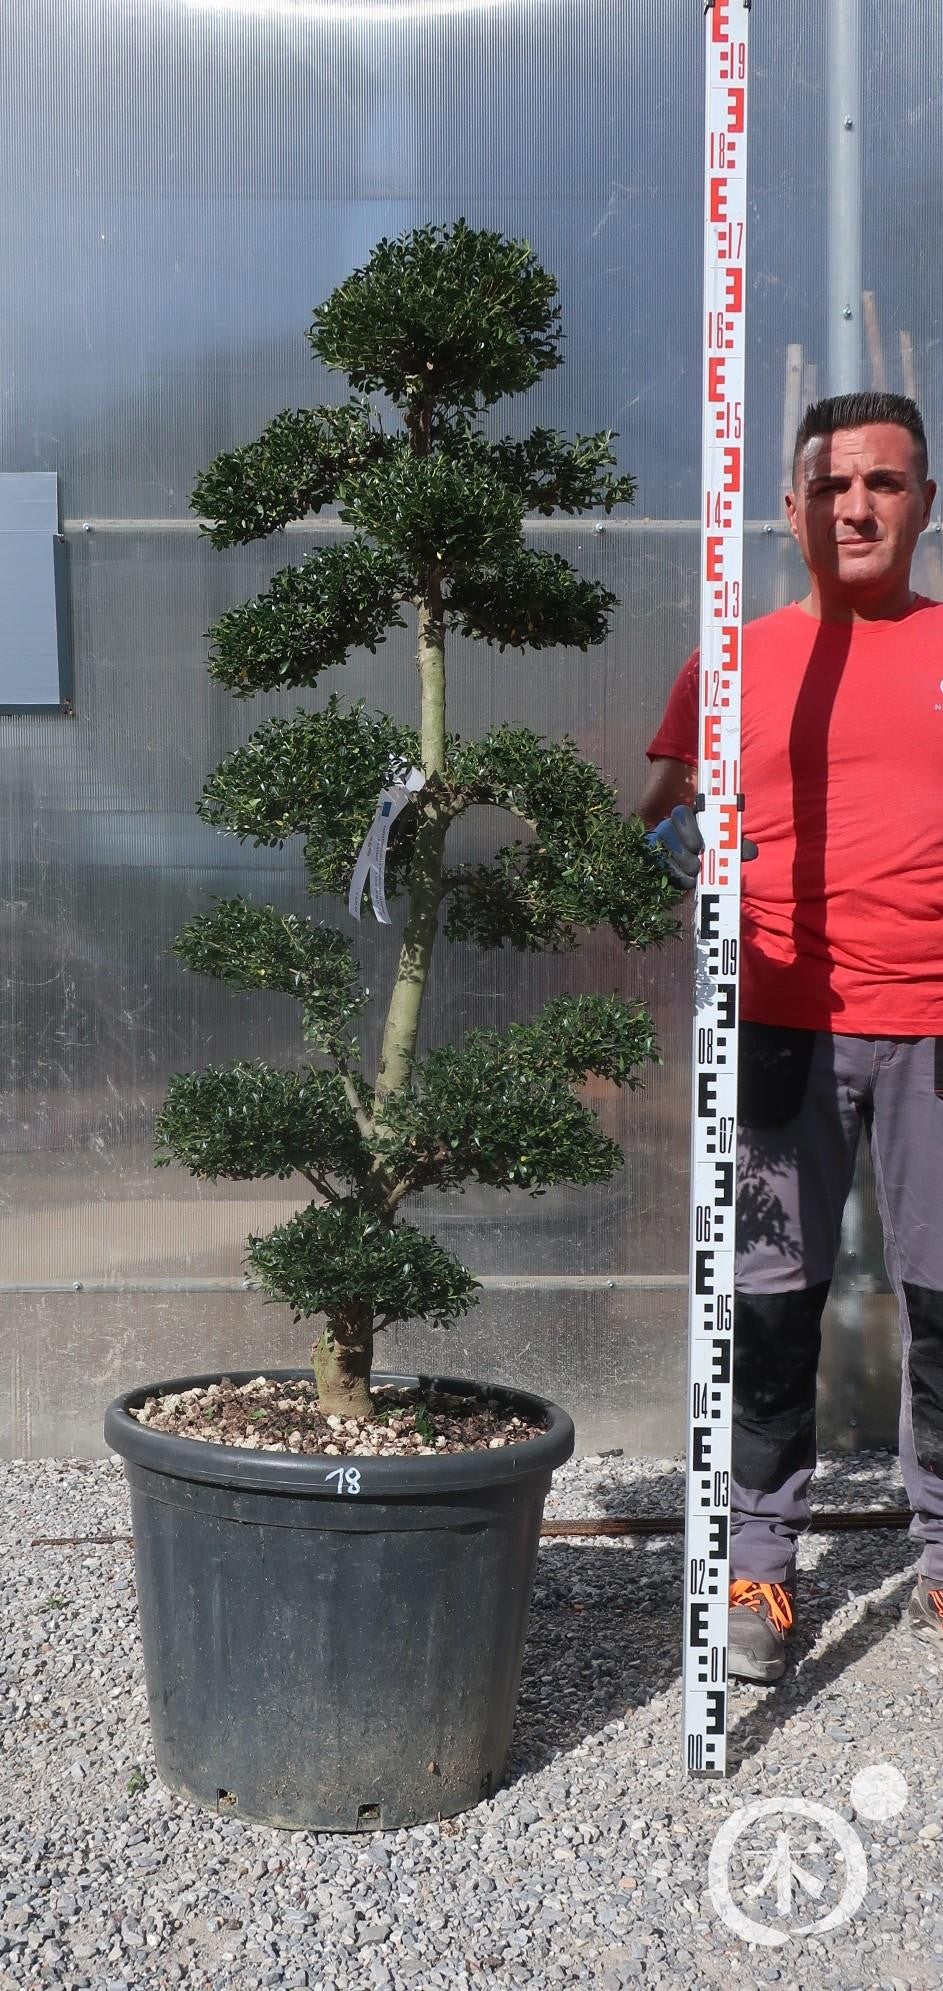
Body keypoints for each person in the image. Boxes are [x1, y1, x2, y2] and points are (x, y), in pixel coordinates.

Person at [640, 390, 943, 1683]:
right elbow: (654, 825)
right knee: (770, 1313)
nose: (858, 506)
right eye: (833, 485)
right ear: (792, 508)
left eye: (886, 482)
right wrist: (704, 883)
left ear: (924, 505)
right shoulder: (736, 661)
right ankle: (761, 1575)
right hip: (780, 1034)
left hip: (938, 1033)